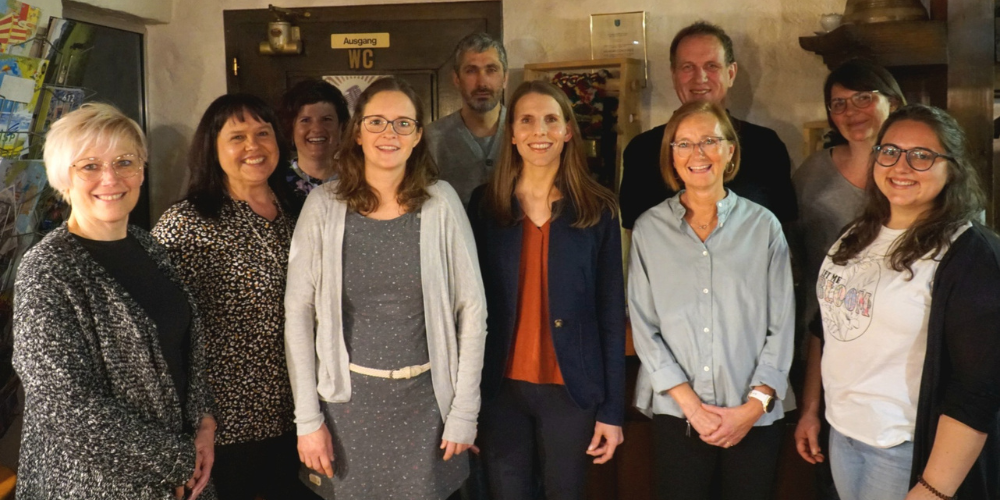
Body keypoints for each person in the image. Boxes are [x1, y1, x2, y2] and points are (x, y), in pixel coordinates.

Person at [285, 76, 487, 500]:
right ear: (357, 132)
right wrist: (308, 420)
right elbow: (299, 315)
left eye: (403, 124)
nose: (389, 134)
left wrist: (464, 411)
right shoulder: (323, 206)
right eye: (376, 121)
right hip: (346, 409)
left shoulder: (441, 202)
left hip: (429, 405)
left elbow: (472, 310)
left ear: (417, 137)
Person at [13, 103, 216, 499]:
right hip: (93, 485)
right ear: (62, 178)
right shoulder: (48, 269)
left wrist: (204, 422)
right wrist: (178, 462)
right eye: (89, 165)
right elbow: (66, 409)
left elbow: (183, 350)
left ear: (141, 169)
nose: (111, 177)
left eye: (125, 161)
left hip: (182, 472)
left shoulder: (146, 244)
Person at [798, 104, 1000, 500]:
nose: (901, 166)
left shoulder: (972, 255)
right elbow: (826, 328)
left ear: (952, 167)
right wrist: (810, 408)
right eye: (889, 151)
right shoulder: (855, 234)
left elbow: (978, 390)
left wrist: (932, 490)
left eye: (922, 156)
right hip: (844, 435)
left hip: (904, 449)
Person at [152, 94, 317, 500]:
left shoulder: (300, 212)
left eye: (263, 133)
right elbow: (160, 335)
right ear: (212, 147)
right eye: (237, 136)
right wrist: (187, 426)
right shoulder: (186, 224)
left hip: (300, 415)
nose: (253, 147)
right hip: (224, 426)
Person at [467, 80, 626, 500]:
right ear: (513, 134)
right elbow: (463, 308)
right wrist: (464, 403)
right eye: (527, 120)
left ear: (568, 131)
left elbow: (611, 315)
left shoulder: (599, 209)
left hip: (571, 388)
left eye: (551, 120)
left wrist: (613, 411)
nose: (540, 131)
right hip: (500, 387)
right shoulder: (485, 206)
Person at [628, 100, 795, 500]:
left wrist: (753, 407)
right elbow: (644, 327)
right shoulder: (649, 230)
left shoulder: (763, 226)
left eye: (708, 141)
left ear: (730, 151)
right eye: (683, 144)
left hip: (755, 412)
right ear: (671, 155)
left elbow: (783, 324)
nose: (696, 154)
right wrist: (693, 407)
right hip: (677, 413)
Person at [791, 59, 905, 500]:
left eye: (864, 98)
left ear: (891, 101)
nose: (852, 111)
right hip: (826, 338)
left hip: (894, 349)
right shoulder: (812, 173)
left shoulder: (909, 174)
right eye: (839, 103)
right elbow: (793, 253)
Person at [618, 21, 796, 229]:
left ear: (731, 73)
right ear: (674, 75)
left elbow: (785, 230)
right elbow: (636, 236)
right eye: (687, 67)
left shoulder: (766, 145)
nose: (700, 77)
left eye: (711, 66)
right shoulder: (642, 150)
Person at [425, 32, 508, 206]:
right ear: (456, 79)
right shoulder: (432, 139)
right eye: (471, 71)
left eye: (491, 70)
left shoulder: (526, 132)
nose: (482, 83)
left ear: (505, 78)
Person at [279, 78, 351, 198]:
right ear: (290, 128)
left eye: (327, 119)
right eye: (305, 120)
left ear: (341, 127)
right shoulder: (276, 184)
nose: (317, 129)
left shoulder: (359, 180)